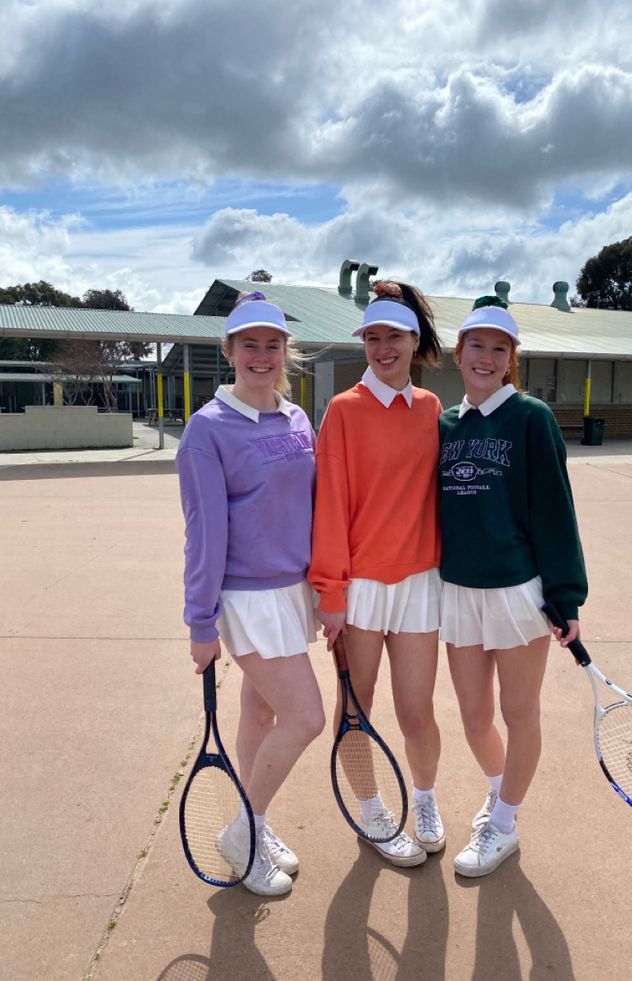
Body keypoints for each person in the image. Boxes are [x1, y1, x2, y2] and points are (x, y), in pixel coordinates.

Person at [176, 292, 325, 897]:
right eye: (249, 345)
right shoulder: (206, 430)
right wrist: (200, 623)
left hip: (294, 591)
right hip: (247, 598)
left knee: (260, 712)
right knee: (306, 717)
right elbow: (204, 533)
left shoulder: (297, 419)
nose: (262, 355)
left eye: (272, 344)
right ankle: (245, 830)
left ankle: (252, 826)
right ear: (229, 351)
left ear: (285, 351)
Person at [438, 298, 587, 877]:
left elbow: (556, 510)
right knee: (475, 716)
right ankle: (500, 800)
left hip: (517, 594)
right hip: (458, 593)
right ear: (460, 352)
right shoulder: (446, 424)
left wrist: (566, 596)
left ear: (510, 360)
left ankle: (503, 825)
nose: (486, 357)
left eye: (499, 349)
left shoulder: (530, 417)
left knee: (518, 711)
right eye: (477, 345)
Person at [309, 281, 445, 867]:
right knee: (356, 707)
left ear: (415, 341)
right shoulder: (343, 411)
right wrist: (330, 592)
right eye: (372, 337)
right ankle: (371, 812)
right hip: (360, 587)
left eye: (393, 336)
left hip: (420, 584)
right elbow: (330, 505)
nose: (382, 347)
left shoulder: (432, 409)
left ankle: (426, 799)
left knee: (418, 712)